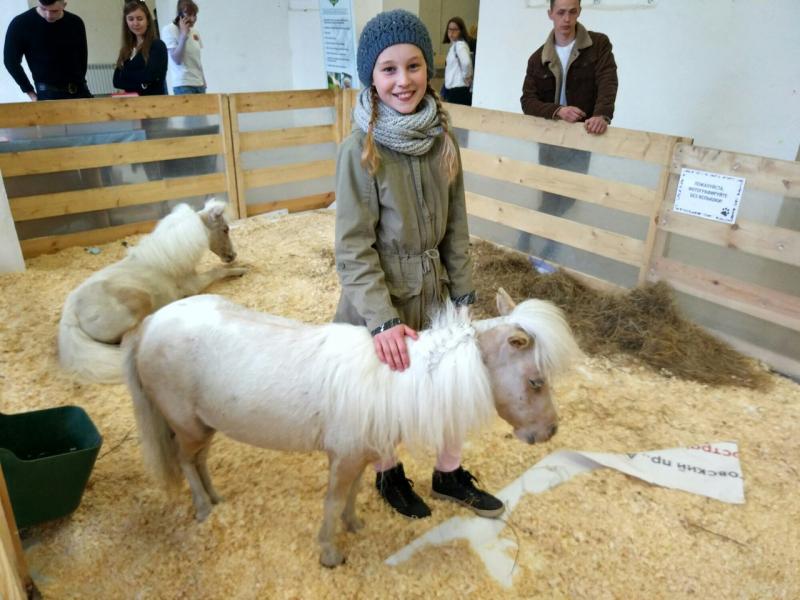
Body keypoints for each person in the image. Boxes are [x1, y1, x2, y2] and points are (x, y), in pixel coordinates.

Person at [334, 9, 503, 520]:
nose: (403, 80)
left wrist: (465, 297)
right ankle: (389, 472)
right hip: (385, 303)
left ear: (429, 69)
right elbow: (353, 248)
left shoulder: (443, 140)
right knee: (387, 398)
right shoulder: (359, 151)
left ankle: (449, 473)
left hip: (438, 295)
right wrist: (382, 320)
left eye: (413, 66)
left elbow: (457, 229)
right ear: (372, 77)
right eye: (388, 69)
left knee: (454, 384)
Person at [519, 0, 618, 257]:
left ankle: (546, 244)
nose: (566, 19)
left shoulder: (598, 46)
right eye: (561, 12)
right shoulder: (537, 58)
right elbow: (527, 101)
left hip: (582, 139)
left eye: (572, 12)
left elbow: (608, 80)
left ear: (579, 12)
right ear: (550, 14)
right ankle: (530, 239)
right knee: (550, 193)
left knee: (572, 194)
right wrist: (557, 111)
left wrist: (601, 115)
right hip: (550, 140)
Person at [3, 0, 92, 101]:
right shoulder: (20, 23)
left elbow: (82, 59)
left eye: (54, 11)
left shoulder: (76, 22)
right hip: (47, 94)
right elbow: (10, 62)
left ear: (64, 5)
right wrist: (31, 93)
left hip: (80, 91)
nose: (48, 15)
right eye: (43, 9)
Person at [113, 0, 168, 96]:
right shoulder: (126, 49)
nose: (135, 23)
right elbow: (116, 81)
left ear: (147, 21)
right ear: (126, 22)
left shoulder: (157, 46)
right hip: (131, 105)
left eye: (139, 19)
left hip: (153, 104)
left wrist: (124, 74)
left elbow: (149, 77)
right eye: (131, 19)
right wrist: (140, 81)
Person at [161, 0, 206, 94]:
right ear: (179, 14)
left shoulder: (195, 32)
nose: (193, 19)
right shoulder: (169, 30)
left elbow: (197, 60)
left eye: (194, 15)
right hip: (183, 85)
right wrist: (183, 35)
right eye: (189, 15)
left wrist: (203, 81)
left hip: (199, 84)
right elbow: (177, 59)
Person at [440, 17, 473, 106]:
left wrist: (467, 76)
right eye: (449, 29)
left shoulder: (460, 45)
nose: (451, 32)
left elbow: (466, 62)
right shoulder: (455, 46)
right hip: (454, 90)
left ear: (461, 31)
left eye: (455, 29)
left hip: (458, 90)